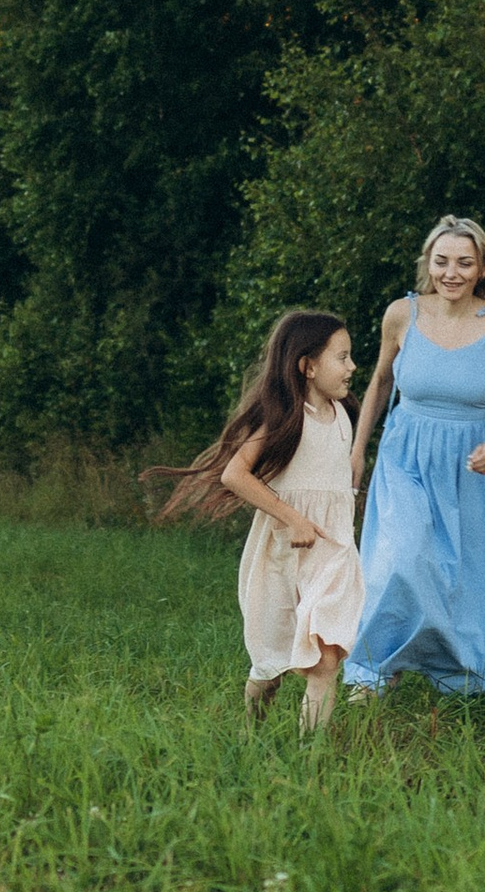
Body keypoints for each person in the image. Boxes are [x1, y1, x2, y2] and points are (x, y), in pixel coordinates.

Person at [345, 216, 485, 699]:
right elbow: (381, 382)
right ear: (428, 263)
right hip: (405, 451)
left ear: (483, 268)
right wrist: (357, 450)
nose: (452, 272)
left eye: (464, 263)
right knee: (401, 558)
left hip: (472, 459)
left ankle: (468, 676)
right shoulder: (402, 314)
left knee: (472, 573)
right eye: (442, 261)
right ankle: (373, 671)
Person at [154, 310, 364, 731]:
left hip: (332, 551)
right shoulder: (285, 418)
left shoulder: (344, 414)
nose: (352, 367)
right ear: (307, 366)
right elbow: (235, 474)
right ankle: (251, 734)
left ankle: (310, 760)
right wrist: (294, 519)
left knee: (325, 661)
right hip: (284, 551)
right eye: (342, 358)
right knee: (270, 667)